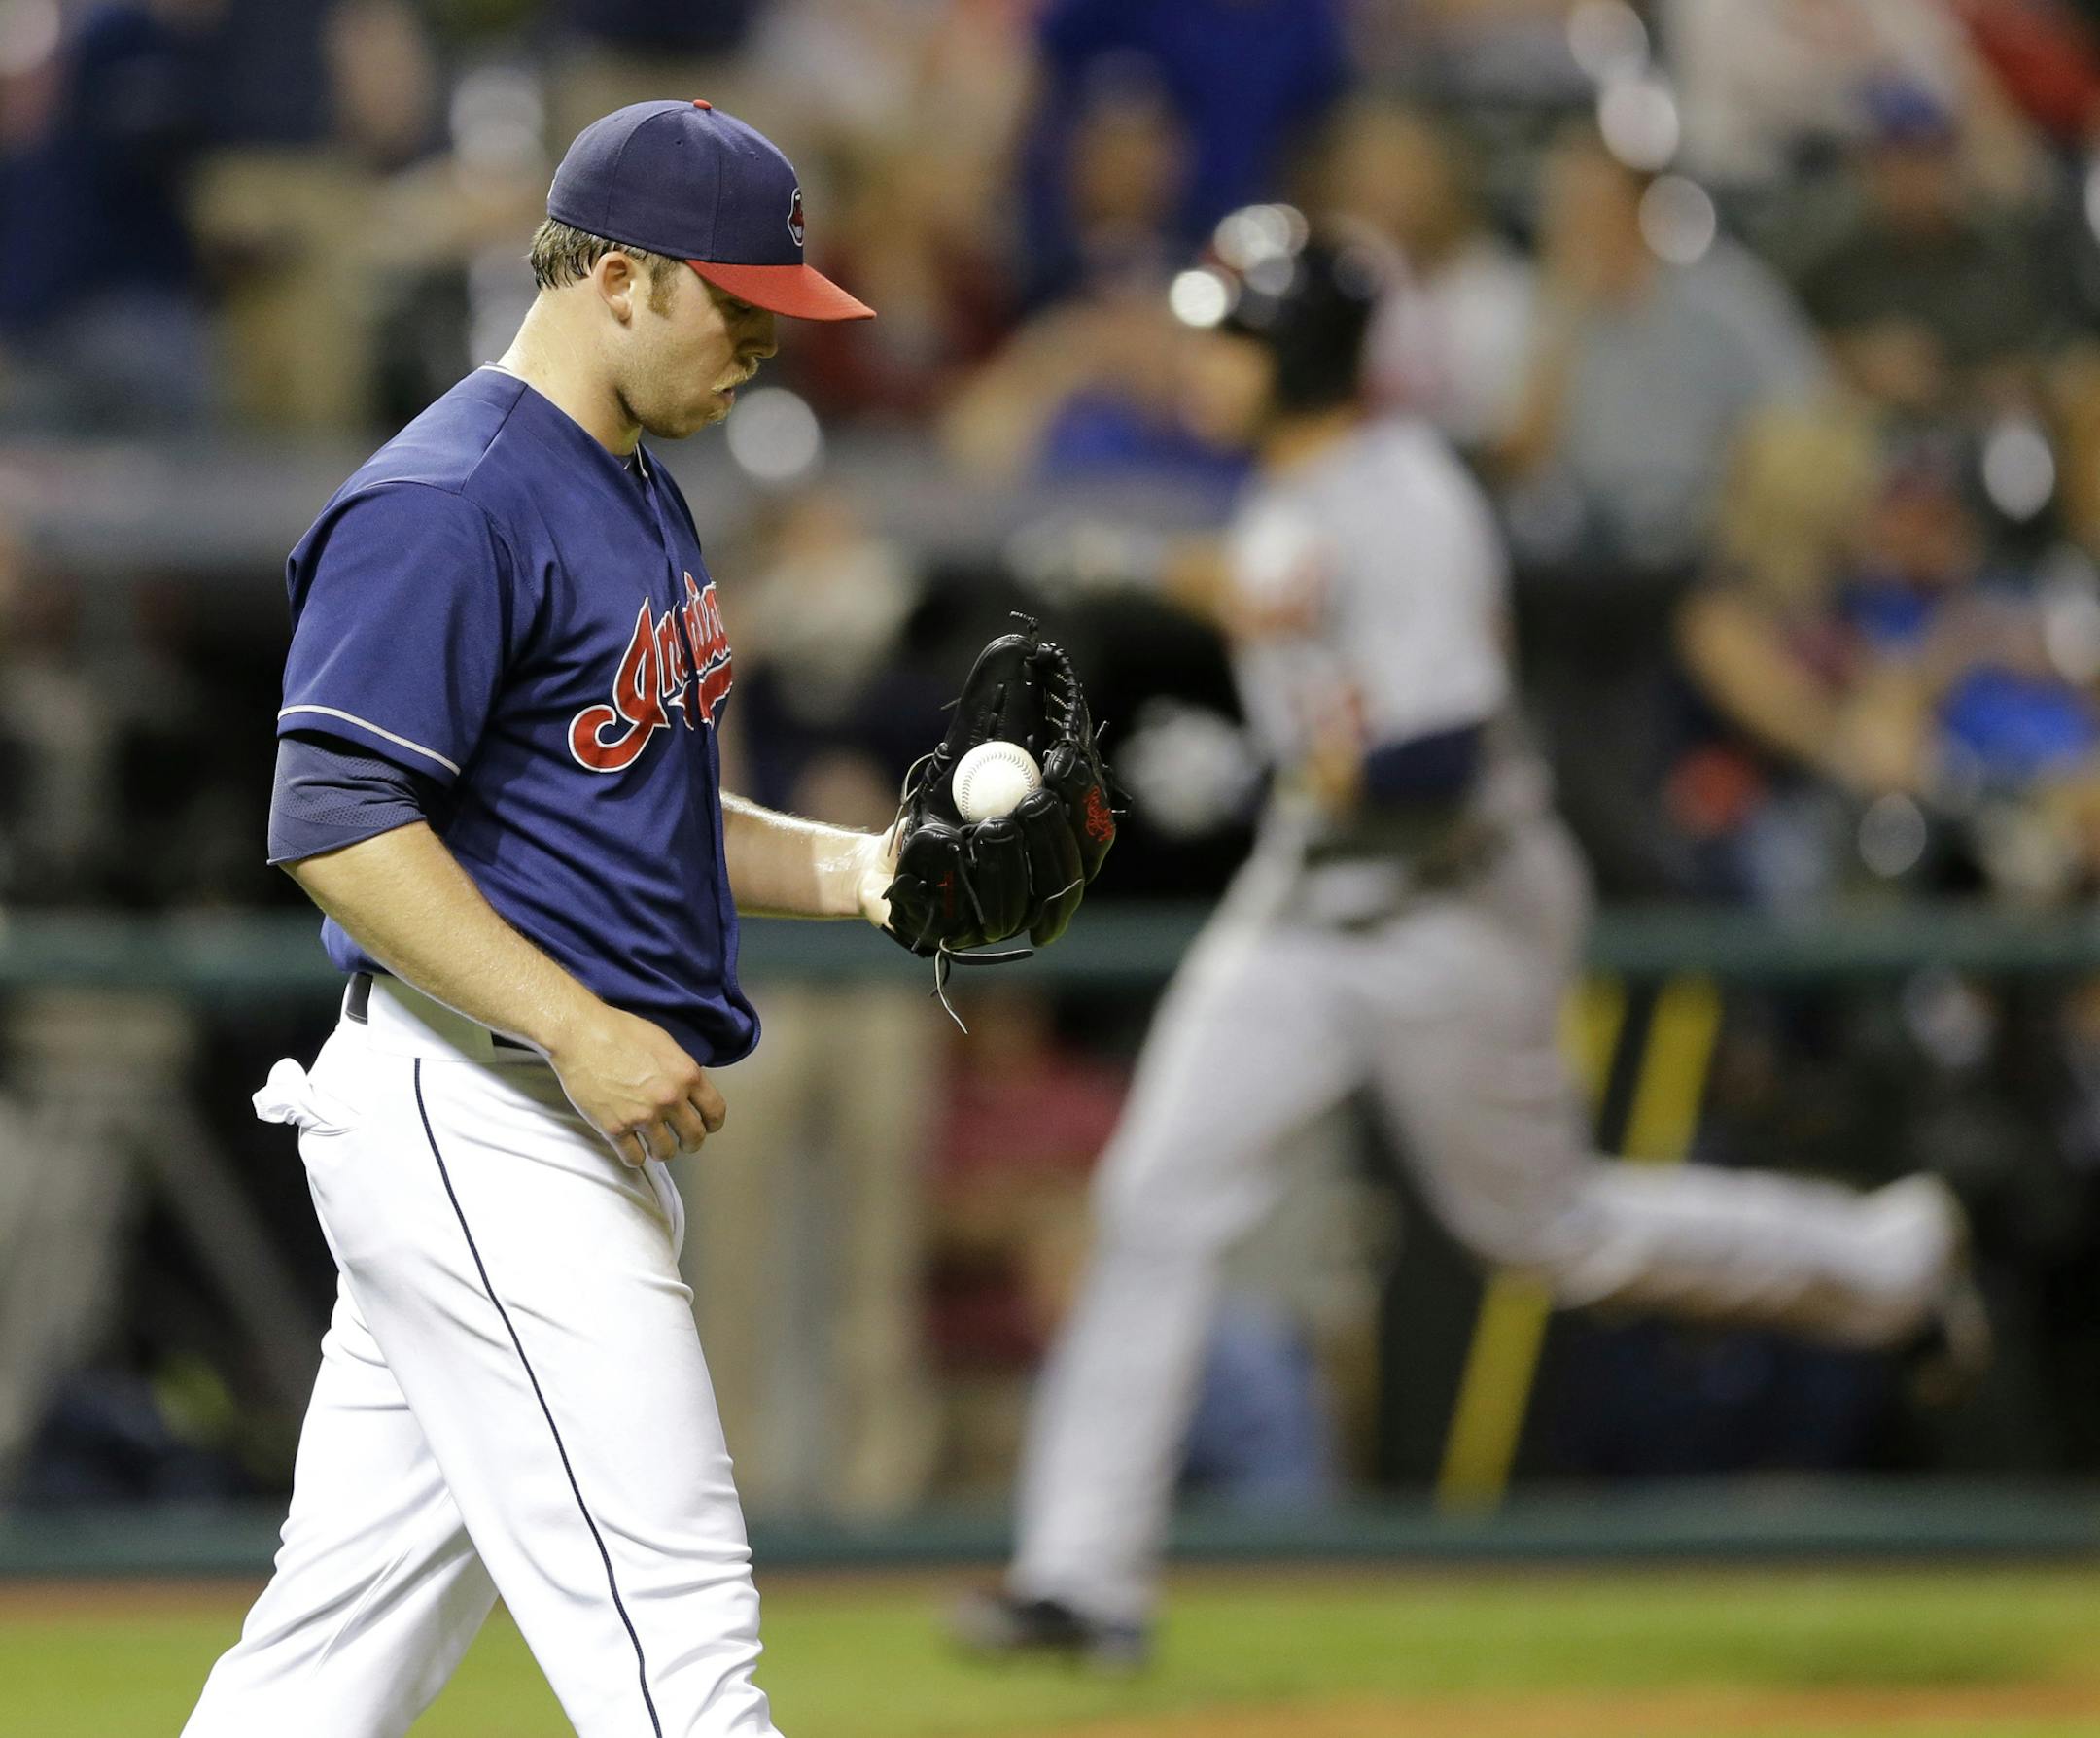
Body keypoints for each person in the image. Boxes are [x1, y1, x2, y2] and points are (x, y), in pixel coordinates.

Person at [181, 99, 1098, 1738]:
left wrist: (864, 870)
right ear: (617, 275)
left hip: (520, 1115)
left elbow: (648, 803)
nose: (764, 339)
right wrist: (580, 1025)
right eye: (735, 302)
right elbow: (331, 823)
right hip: (488, 1115)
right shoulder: (450, 496)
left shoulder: (631, 485)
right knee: (684, 1673)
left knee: (318, 1683)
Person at [960, 206, 1988, 1667]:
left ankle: (1889, 1264)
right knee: (1154, 1196)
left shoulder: (1406, 504)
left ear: (1301, 353)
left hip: (1457, 907)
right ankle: (1083, 1580)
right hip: (1311, 907)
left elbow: (1435, 759)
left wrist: (1297, 736)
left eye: (1230, 335)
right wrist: (1198, 587)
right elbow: (1282, 602)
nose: (1203, 361)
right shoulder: (1294, 489)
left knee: (1549, 1233)